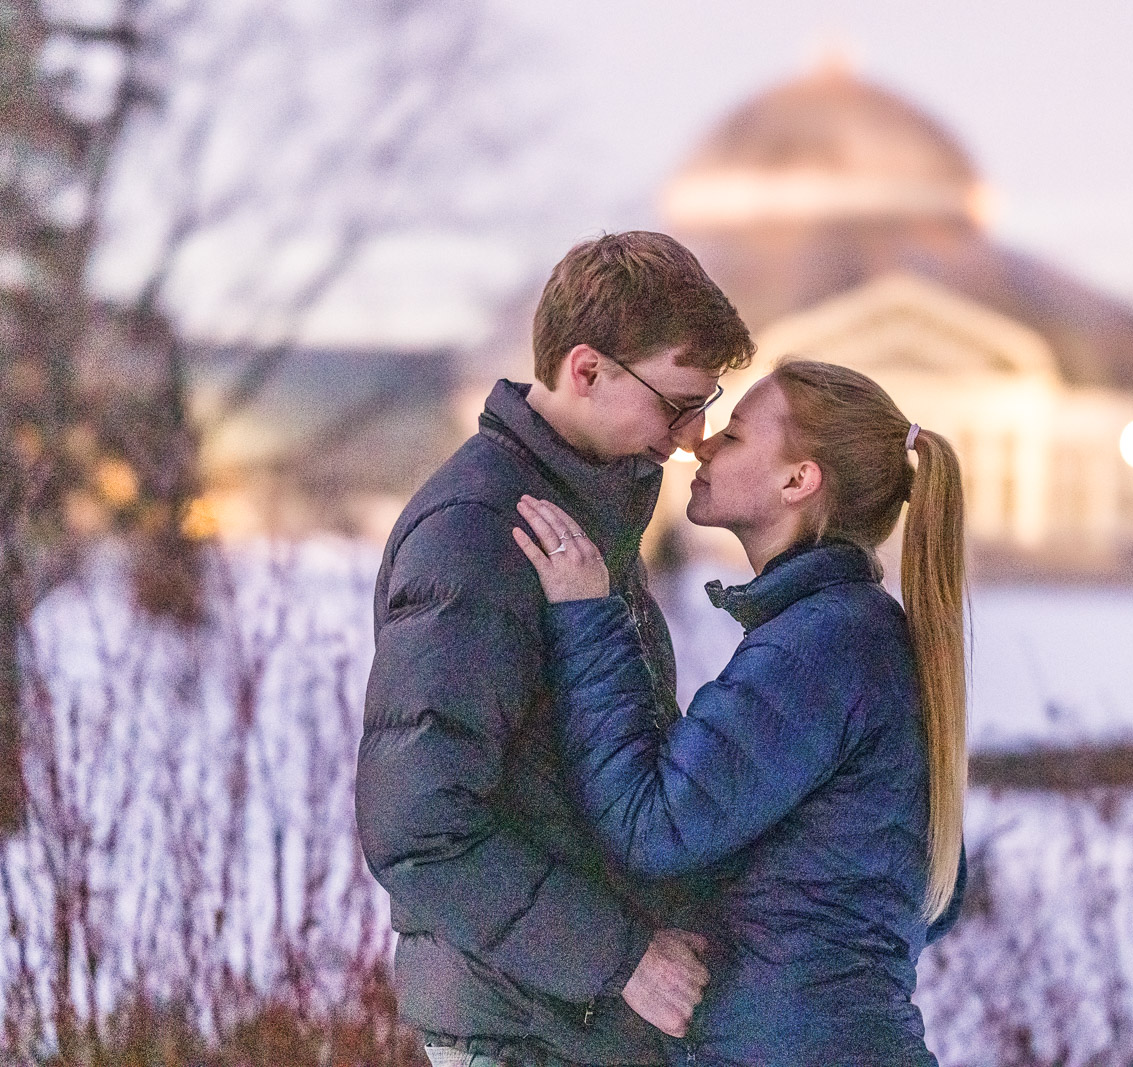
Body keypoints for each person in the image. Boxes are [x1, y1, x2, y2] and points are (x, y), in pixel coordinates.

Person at [355, 232, 755, 1067]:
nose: (692, 434)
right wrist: (621, 959)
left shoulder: (583, 513)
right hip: (519, 1030)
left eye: (706, 403)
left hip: (568, 1024)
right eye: (677, 401)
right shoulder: (480, 533)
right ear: (587, 369)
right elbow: (419, 830)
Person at [513, 359, 968, 1066]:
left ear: (798, 480)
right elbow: (931, 893)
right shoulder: (855, 635)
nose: (703, 444)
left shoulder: (819, 648)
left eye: (736, 434)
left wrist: (587, 619)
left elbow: (653, 825)